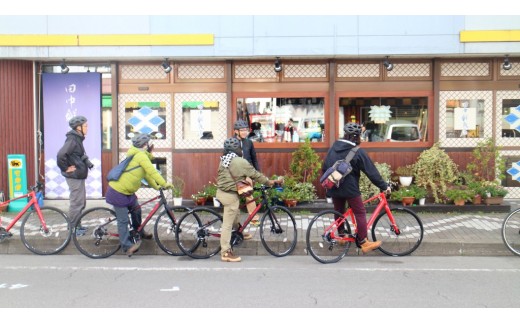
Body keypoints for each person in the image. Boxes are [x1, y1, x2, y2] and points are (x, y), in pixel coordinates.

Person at [322, 122, 390, 253]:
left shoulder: (333, 148)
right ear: (357, 137)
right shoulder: (357, 152)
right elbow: (371, 172)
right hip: (350, 188)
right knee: (360, 212)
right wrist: (383, 186)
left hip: (334, 186)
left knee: (339, 211)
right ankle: (363, 242)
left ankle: (341, 236)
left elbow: (325, 167)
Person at [105, 133, 173, 257]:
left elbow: (147, 175)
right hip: (117, 192)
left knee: (137, 211)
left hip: (128, 193)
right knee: (123, 220)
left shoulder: (140, 156)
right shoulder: (140, 156)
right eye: (150, 144)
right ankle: (127, 246)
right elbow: (152, 171)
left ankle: (139, 232)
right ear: (145, 145)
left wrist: (157, 186)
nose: (152, 146)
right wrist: (164, 183)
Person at [216, 137, 283, 262]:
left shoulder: (224, 160)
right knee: (227, 223)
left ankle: (239, 231)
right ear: (238, 149)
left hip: (222, 192)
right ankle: (225, 252)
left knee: (236, 212)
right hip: (230, 195)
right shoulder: (240, 162)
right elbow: (255, 175)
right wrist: (270, 182)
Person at [57, 116, 93, 233]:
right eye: (85, 126)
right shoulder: (72, 139)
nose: (87, 128)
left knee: (80, 201)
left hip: (78, 175)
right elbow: (61, 155)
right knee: (76, 202)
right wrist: (65, 168)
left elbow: (78, 154)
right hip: (74, 176)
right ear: (78, 127)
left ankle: (77, 225)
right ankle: (73, 228)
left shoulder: (77, 138)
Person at [233, 120, 260, 221]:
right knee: (234, 198)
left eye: (246, 130)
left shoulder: (249, 142)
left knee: (248, 195)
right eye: (242, 130)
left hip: (247, 173)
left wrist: (257, 173)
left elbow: (254, 158)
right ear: (236, 131)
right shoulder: (231, 142)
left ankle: (254, 219)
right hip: (235, 174)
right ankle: (234, 221)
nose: (245, 132)